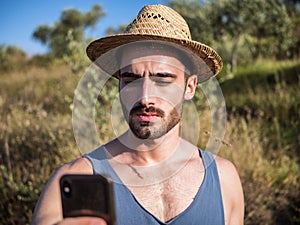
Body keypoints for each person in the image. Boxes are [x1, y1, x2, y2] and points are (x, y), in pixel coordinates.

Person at [32, 4, 244, 225]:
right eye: (131, 79)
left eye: (162, 79)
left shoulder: (223, 179)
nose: (144, 98)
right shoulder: (79, 177)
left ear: (189, 87)